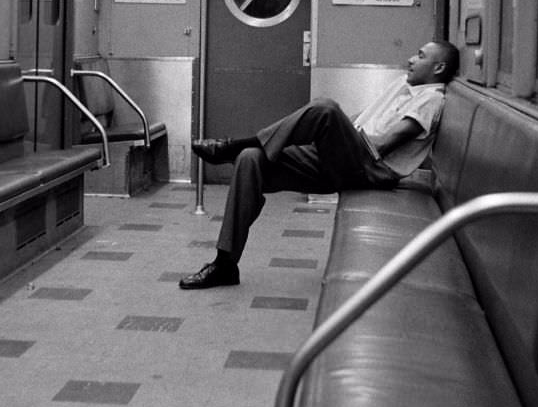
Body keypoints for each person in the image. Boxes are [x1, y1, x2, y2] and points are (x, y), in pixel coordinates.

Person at [179, 40, 459, 289]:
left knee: (325, 109)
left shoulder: (431, 100)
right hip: (346, 160)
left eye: (420, 56)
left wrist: (337, 134)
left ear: (438, 68)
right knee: (250, 160)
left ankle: (230, 146)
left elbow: (383, 144)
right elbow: (360, 120)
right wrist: (336, 136)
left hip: (372, 169)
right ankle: (225, 263)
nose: (411, 59)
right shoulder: (403, 85)